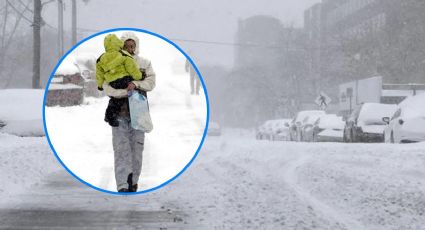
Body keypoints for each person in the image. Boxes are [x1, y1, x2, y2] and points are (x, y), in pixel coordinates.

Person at [102, 32, 156, 193]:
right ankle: (122, 185)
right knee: (120, 149)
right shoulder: (112, 61)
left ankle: (133, 183)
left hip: (139, 114)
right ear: (122, 46)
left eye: (133, 45)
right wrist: (125, 92)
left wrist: (135, 84)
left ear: (136, 46)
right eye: (127, 45)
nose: (130, 48)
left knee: (136, 150)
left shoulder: (144, 63)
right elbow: (107, 87)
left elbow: (151, 82)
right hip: (118, 113)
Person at [96, 34, 142, 127]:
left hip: (113, 82)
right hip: (124, 79)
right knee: (129, 96)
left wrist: (100, 85)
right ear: (118, 43)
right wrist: (139, 76)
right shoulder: (123, 54)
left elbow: (99, 74)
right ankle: (132, 115)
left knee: (115, 99)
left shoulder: (101, 58)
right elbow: (132, 68)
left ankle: (109, 115)